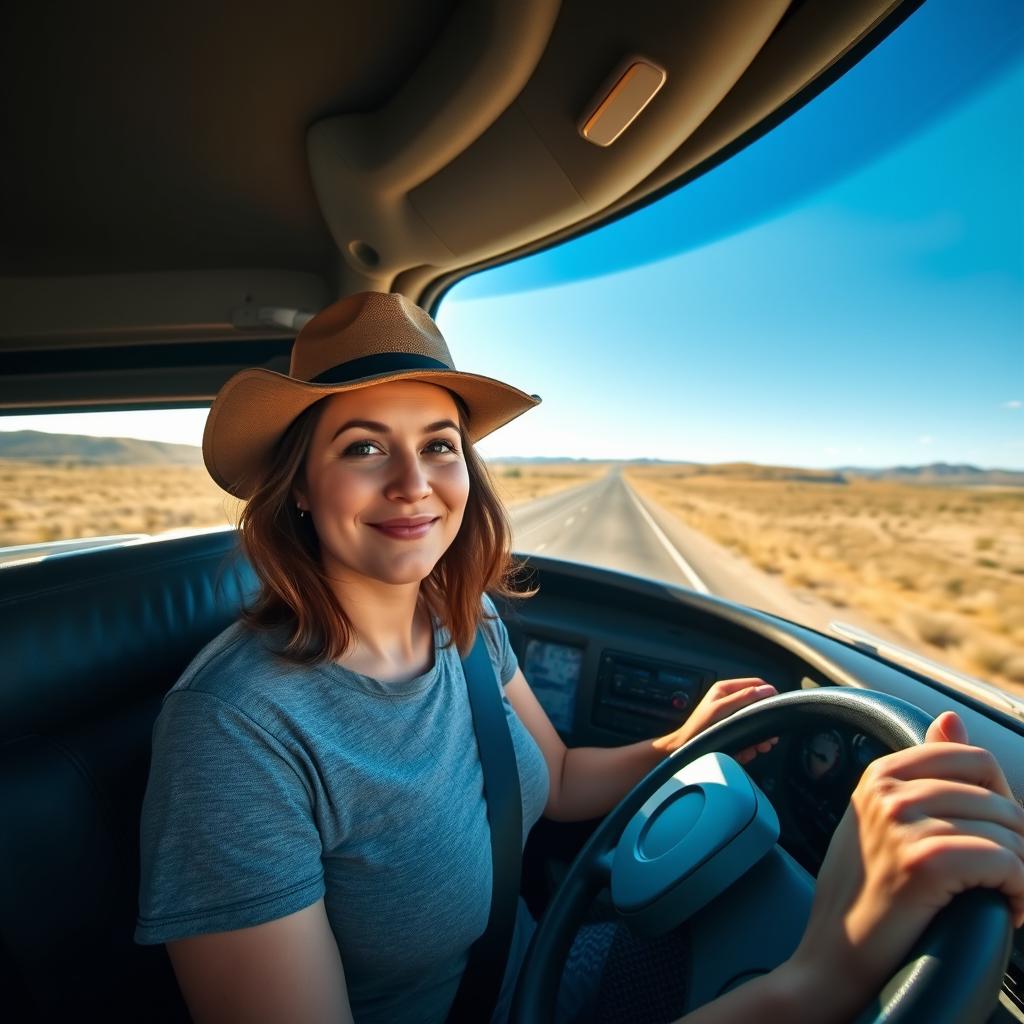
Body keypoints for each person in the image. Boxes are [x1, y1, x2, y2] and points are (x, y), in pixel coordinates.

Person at [134, 291, 1024, 1024]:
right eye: (364, 447)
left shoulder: (460, 615)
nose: (413, 483)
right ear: (300, 488)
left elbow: (554, 780)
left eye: (439, 446)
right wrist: (817, 983)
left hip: (544, 977)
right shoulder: (236, 733)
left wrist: (680, 741)